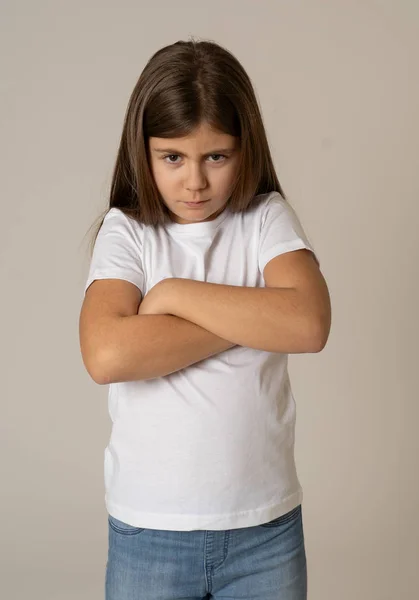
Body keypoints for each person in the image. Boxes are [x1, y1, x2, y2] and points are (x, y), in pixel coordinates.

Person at [79, 37, 331, 600]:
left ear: (246, 150)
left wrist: (172, 293)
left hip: (265, 532)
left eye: (216, 156)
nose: (195, 181)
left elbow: (309, 323)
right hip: (150, 532)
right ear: (143, 152)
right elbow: (108, 355)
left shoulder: (266, 219)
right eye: (173, 157)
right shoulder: (128, 231)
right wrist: (252, 312)